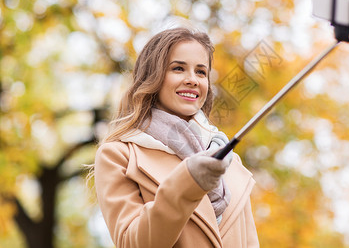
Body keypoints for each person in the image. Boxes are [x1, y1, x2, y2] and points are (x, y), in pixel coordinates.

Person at [93, 25, 259, 247]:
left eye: (201, 72)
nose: (192, 79)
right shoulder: (118, 155)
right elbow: (132, 243)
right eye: (178, 68)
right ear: (153, 77)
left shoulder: (230, 162)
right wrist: (188, 182)